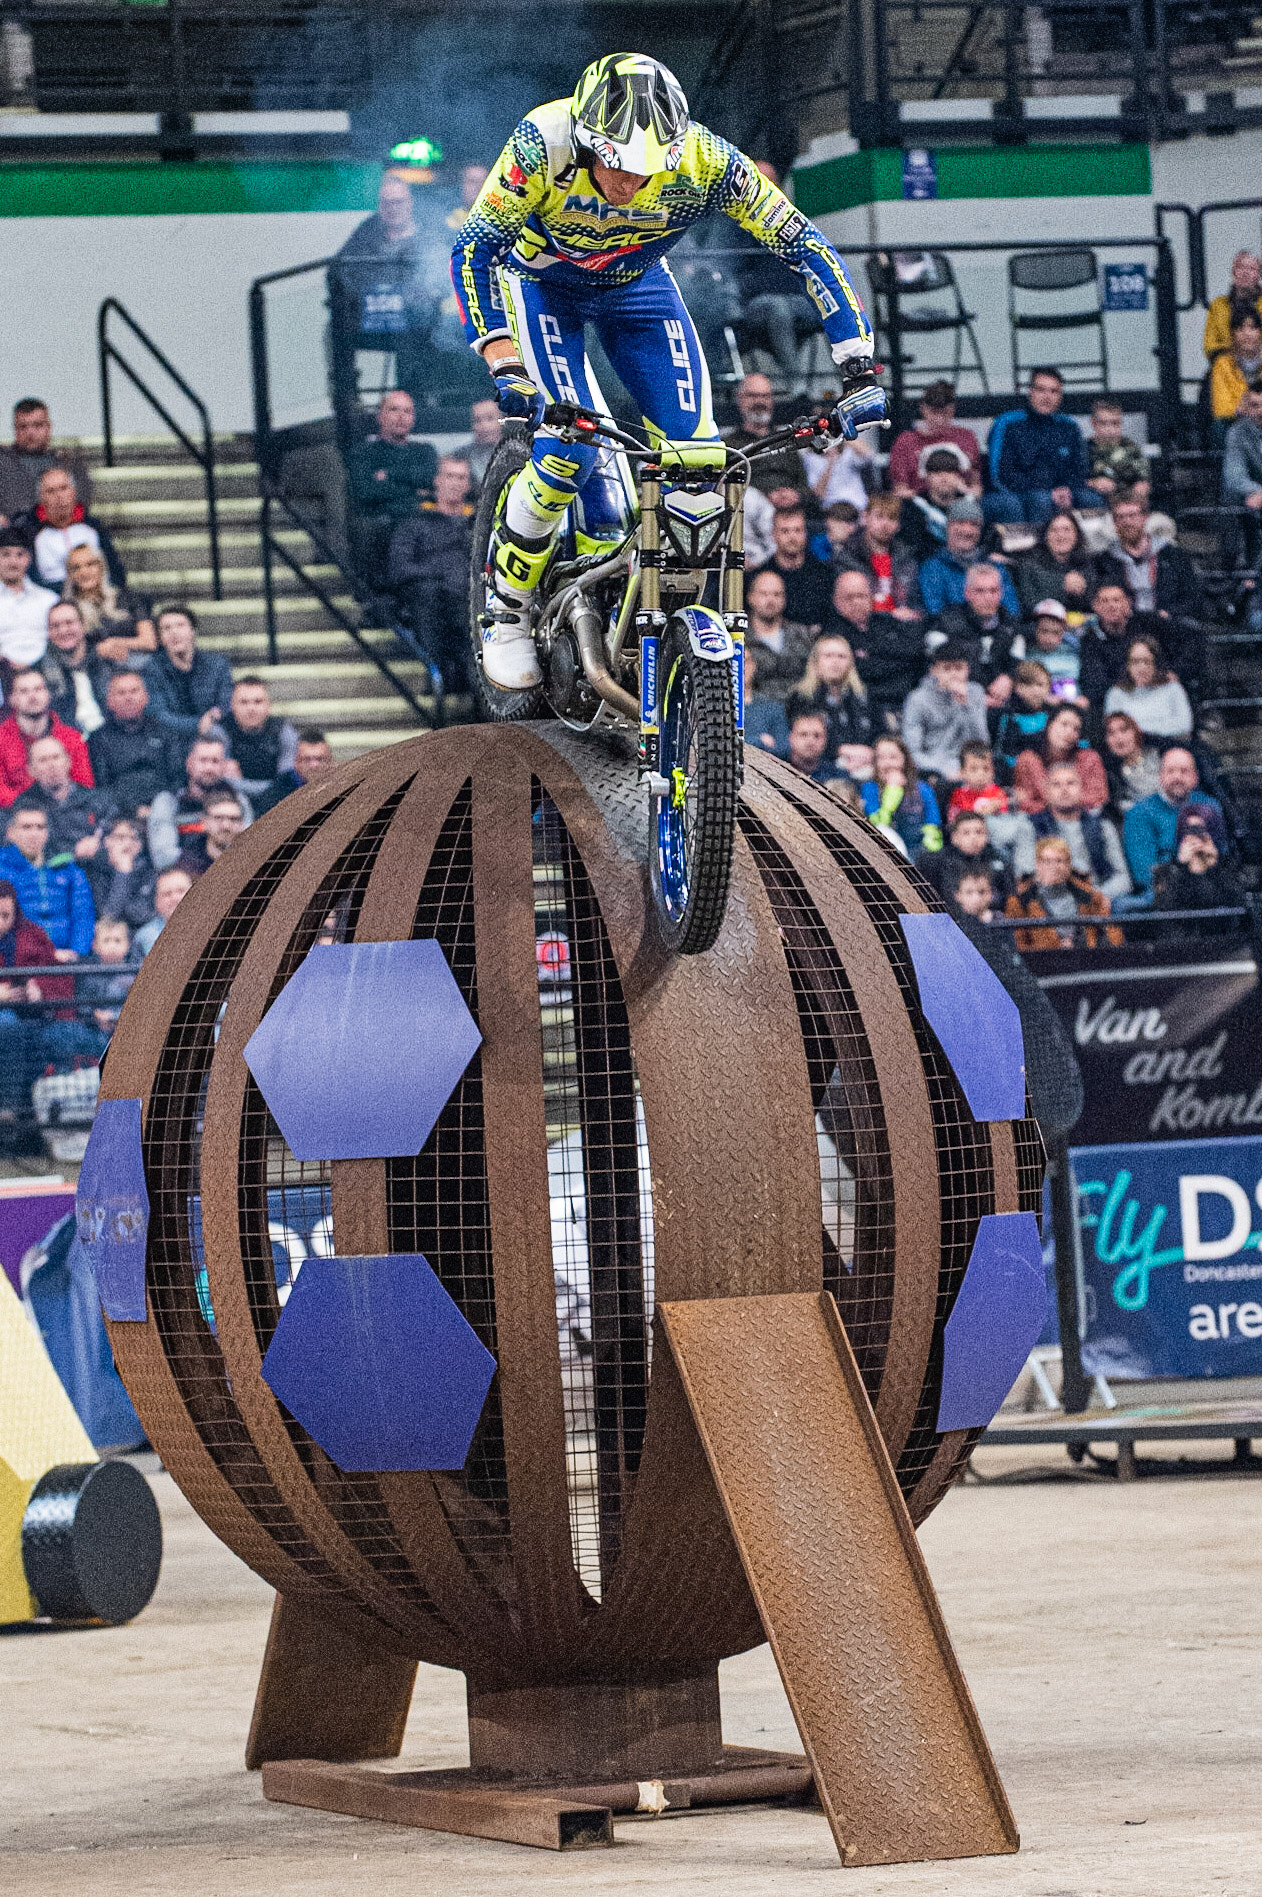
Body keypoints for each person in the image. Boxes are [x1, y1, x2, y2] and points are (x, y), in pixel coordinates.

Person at [453, 53, 881, 689]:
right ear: (587, 140)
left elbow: (806, 248)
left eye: (648, 169)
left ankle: (670, 619)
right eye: (618, 165)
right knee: (568, 449)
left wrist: (858, 367)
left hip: (635, 285)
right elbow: (474, 251)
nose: (631, 181)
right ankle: (507, 606)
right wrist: (502, 359)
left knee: (700, 462)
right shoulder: (541, 141)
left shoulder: (708, 161)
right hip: (540, 285)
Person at [388, 455, 476, 687]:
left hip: (473, 597)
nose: (455, 483)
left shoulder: (479, 524)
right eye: (450, 476)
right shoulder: (414, 523)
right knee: (429, 595)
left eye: (461, 477)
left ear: (468, 484)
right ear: (437, 480)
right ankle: (439, 681)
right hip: (435, 598)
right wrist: (441, 573)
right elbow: (399, 569)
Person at [346, 390, 439, 576]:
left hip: (422, 529)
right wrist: (414, 490)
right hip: (383, 531)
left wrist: (388, 475)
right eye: (394, 410)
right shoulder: (364, 453)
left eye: (407, 411)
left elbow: (432, 483)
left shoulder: (425, 452)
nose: (401, 417)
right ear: (380, 416)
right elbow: (365, 492)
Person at [1012, 757, 1131, 901]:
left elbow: (1123, 878)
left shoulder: (1103, 826)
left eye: (1071, 783)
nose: (1064, 789)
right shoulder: (1029, 826)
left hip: (1096, 902)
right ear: (1046, 792)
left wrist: (1095, 898)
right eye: (1056, 784)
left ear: (1082, 789)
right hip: (1047, 903)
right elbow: (1024, 875)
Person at [989, 368, 1095, 524]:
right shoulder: (1007, 423)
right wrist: (1048, 491)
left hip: (1062, 491)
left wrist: (1066, 489)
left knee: (1091, 499)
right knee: (1042, 500)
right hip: (1021, 494)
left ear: (1060, 396)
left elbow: (1080, 470)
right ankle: (1039, 548)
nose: (1047, 397)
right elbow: (1000, 476)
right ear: (1030, 391)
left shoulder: (1069, 426)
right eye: (1041, 390)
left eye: (1054, 391)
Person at [825, 569, 922, 727]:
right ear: (836, 601)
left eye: (861, 596)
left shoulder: (888, 622)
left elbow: (913, 656)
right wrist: (889, 658)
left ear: (871, 597)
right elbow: (858, 672)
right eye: (849, 597)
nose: (856, 602)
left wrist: (870, 656)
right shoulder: (832, 633)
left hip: (904, 701)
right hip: (862, 708)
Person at [1123, 745, 1223, 899]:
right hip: (1163, 893)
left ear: (1195, 777)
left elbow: (1223, 855)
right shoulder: (1138, 814)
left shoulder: (1210, 806)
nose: (1177, 777)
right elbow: (1144, 874)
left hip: (1208, 886)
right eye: (1170, 771)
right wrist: (1179, 864)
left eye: (1184, 771)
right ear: (1160, 776)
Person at [0, 805, 95, 957]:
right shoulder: (2, 867)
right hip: (17, 960)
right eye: (26, 827)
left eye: (40, 827)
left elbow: (83, 915)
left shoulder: (68, 868)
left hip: (66, 961)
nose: (34, 833)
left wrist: (76, 952)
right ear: (10, 833)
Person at [147, 736, 254, 870]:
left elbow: (247, 852)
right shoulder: (168, 801)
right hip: (182, 881)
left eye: (215, 761)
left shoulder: (238, 801)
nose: (209, 768)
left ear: (224, 766)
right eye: (203, 760)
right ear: (189, 763)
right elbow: (163, 857)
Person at [86, 671, 181, 818]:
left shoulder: (165, 732)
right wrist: (134, 810)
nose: (128, 698)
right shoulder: (98, 739)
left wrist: (155, 808)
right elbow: (102, 785)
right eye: (121, 693)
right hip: (119, 812)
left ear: (146, 697)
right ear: (109, 701)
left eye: (134, 691)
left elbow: (177, 777)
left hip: (163, 806)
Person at [15, 467, 125, 591]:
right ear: (41, 498)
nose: (59, 496)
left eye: (63, 488)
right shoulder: (29, 532)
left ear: (73, 492)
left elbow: (115, 573)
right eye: (51, 491)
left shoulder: (93, 527)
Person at [1005, 834, 1121, 951]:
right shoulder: (1020, 901)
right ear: (1037, 865)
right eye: (1047, 861)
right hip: (1043, 963)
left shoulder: (1090, 896)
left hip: (1087, 959)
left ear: (1068, 864)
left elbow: (1112, 936)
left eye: (1059, 861)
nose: (1054, 867)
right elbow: (1017, 946)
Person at [12, 736, 114, 863]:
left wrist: (98, 843)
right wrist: (73, 853)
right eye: (43, 760)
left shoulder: (96, 799)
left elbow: (115, 831)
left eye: (56, 757)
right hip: (48, 874)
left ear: (68, 761)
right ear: (31, 770)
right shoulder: (24, 806)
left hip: (96, 869)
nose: (51, 765)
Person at [0, 669, 93, 807]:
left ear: (48, 695)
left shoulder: (72, 738)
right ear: (12, 699)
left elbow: (84, 784)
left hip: (66, 812)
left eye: (38, 689)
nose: (32, 696)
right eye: (23, 691)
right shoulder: (1, 739)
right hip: (17, 815)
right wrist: (30, 807)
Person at [143, 604, 234, 745]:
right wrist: (197, 724)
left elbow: (226, 702)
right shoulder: (152, 669)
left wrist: (215, 715)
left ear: (192, 631)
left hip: (211, 736)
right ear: (160, 637)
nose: (174, 632)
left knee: (218, 733)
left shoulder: (217, 665)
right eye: (166, 628)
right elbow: (158, 714)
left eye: (180, 625)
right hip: (171, 738)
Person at [927, 562, 1023, 693]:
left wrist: (1009, 678)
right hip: (957, 698)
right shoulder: (944, 624)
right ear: (967, 593)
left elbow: (1017, 663)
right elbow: (937, 671)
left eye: (993, 590)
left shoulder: (1011, 626)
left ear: (1001, 593)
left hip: (1001, 700)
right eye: (980, 591)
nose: (988, 597)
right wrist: (977, 697)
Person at [901, 644, 990, 784]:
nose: (953, 674)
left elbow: (982, 742)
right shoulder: (918, 699)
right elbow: (912, 751)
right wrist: (944, 771)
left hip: (971, 764)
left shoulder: (975, 692)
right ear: (934, 671)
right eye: (947, 669)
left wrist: (967, 706)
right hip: (933, 766)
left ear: (967, 670)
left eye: (959, 668)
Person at [917, 498, 1017, 619]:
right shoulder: (933, 568)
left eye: (974, 524)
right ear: (948, 526)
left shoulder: (995, 567)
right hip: (954, 634)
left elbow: (1012, 611)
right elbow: (935, 611)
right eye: (960, 522)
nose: (967, 530)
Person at [0, 398, 92, 525]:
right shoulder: (2, 462)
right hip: (12, 536)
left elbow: (81, 505)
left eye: (37, 425)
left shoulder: (68, 463)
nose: (30, 433)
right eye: (23, 427)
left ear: (48, 427)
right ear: (15, 429)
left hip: (61, 531)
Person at [723, 372, 811, 502]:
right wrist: (766, 497)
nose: (759, 401)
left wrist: (794, 495)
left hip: (791, 512)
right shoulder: (729, 446)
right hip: (748, 510)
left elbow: (804, 486)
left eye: (765, 396)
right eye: (753, 396)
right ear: (740, 400)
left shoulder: (786, 440)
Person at [785, 633, 876, 757]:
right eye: (828, 656)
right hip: (821, 765)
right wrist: (840, 750)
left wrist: (870, 753)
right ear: (816, 661)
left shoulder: (863, 696)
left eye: (841, 656)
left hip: (866, 763)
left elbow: (879, 733)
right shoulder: (801, 697)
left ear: (850, 662)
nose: (835, 661)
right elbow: (801, 740)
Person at [60, 543, 154, 662]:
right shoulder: (68, 608)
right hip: (93, 667)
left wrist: (115, 643)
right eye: (76, 568)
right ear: (70, 574)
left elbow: (149, 641)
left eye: (90, 564)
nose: (83, 572)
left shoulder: (128, 597)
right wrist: (97, 650)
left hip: (135, 662)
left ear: (101, 566)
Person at [886, 381, 982, 496]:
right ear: (923, 409)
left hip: (961, 501)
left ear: (953, 410)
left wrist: (964, 492)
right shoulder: (906, 442)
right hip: (920, 505)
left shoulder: (966, 437)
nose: (939, 419)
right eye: (934, 413)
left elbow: (976, 486)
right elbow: (900, 490)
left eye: (945, 413)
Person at [1152, 808, 1243, 928]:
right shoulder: (1166, 872)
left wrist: (1213, 867)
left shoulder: (1229, 868)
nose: (1195, 837)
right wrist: (1180, 867)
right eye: (1189, 831)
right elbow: (1167, 915)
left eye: (1201, 831)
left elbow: (1237, 914)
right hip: (1182, 940)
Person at [835, 494, 922, 621]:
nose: (885, 524)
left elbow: (917, 603)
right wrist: (890, 616)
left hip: (902, 629)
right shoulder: (846, 558)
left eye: (892, 518)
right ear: (865, 517)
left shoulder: (907, 558)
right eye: (879, 517)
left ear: (898, 524)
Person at [1012, 702, 1108, 814]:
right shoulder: (1028, 760)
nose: (1069, 732)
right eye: (1064, 724)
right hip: (1039, 825)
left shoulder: (1089, 758)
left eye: (1076, 729)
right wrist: (1068, 802)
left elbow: (1099, 798)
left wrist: (1054, 803)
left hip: (1082, 823)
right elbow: (1024, 802)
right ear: (1049, 725)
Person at [749, 506, 834, 631]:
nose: (792, 537)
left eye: (797, 530)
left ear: (805, 533)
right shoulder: (759, 576)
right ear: (774, 534)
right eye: (785, 531)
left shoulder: (824, 574)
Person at [37, 600, 112, 737]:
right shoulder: (39, 671)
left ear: (83, 625)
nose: (63, 631)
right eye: (55, 626)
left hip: (110, 738)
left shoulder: (106, 659)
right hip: (65, 741)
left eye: (69, 623)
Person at [861, 734, 942, 855]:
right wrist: (892, 791)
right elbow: (879, 825)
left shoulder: (923, 789)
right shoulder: (869, 789)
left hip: (920, 851)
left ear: (904, 760)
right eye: (881, 758)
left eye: (893, 757)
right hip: (887, 851)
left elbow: (933, 823)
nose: (887, 764)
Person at [219, 677, 298, 802]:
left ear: (268, 705)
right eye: (244, 702)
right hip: (231, 801)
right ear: (232, 705)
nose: (251, 708)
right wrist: (271, 786)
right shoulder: (220, 731)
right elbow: (223, 781)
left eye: (258, 701)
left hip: (276, 800)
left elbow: (286, 779)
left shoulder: (284, 731)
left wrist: (243, 784)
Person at [744, 569, 816, 699]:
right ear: (750, 597)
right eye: (764, 594)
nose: (770, 600)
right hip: (756, 710)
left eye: (777, 594)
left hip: (798, 708)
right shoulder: (740, 638)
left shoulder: (802, 635)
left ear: (784, 599)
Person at [1103, 637, 1193, 739]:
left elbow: (1184, 726)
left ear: (1156, 664)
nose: (1141, 668)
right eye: (1135, 662)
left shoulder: (1173, 689)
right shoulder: (1116, 694)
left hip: (1169, 747)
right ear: (1128, 666)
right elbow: (1114, 730)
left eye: (1147, 661)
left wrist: (1136, 728)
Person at [917, 808, 1013, 902]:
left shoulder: (998, 860)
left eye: (979, 832)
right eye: (966, 833)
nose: (973, 838)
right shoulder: (937, 862)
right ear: (954, 838)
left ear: (987, 836)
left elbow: (1009, 895)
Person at [75, 914, 137, 1055]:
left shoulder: (135, 975)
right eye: (106, 940)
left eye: (117, 940)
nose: (112, 946)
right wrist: (95, 1015)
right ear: (95, 945)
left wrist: (119, 1018)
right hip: (96, 1033)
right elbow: (82, 1006)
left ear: (127, 944)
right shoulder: (89, 975)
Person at [1014, 511, 1093, 619]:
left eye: (1067, 530)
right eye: (1054, 530)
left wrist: (1082, 591)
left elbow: (1094, 601)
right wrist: (1062, 586)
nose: (1061, 536)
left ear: (1076, 534)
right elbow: (1028, 604)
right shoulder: (1028, 565)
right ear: (1045, 535)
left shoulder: (1087, 563)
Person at [1077, 579, 1143, 708]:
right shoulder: (1090, 639)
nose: (1111, 606)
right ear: (1095, 606)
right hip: (1110, 701)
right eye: (1104, 601)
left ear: (1127, 603)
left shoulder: (1144, 626)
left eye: (1116, 600)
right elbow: (1094, 682)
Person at [84, 816, 155, 933]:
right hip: (106, 938)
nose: (128, 843)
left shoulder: (149, 873)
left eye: (134, 838)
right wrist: (123, 873)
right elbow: (108, 915)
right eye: (120, 837)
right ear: (107, 841)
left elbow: (143, 914)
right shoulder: (96, 872)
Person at [0, 528, 55, 668]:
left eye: (20, 555)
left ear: (28, 559)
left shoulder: (49, 600)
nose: (13, 562)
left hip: (47, 671)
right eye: (5, 555)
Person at [989, 659, 1051, 781]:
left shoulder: (1053, 715)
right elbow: (1003, 752)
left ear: (1048, 687)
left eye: (1040, 685)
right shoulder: (1006, 716)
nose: (1035, 690)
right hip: (1013, 774)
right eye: (1028, 684)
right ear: (1017, 687)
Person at [252, 729, 337, 815]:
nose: (314, 765)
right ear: (296, 761)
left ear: (330, 761)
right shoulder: (276, 793)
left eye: (320, 759)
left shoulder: (341, 786)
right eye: (307, 759)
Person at [1085, 397, 1148, 502]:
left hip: (1127, 500)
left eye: (1115, 423)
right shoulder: (1083, 449)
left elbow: (1143, 477)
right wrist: (1093, 483)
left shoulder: (1130, 447)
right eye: (1103, 423)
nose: (1110, 429)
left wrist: (1141, 486)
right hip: (1097, 499)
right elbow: (1074, 482)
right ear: (1093, 423)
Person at [1203, 250, 1262, 361]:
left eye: (1251, 269)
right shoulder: (1218, 305)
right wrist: (1235, 355)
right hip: (1226, 368)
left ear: (1259, 275)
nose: (1245, 273)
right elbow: (1210, 346)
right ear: (1233, 272)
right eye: (1240, 267)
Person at [175, 786, 246, 877]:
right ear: (205, 821)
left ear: (242, 824)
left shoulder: (253, 860)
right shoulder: (187, 864)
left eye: (234, 819)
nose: (226, 826)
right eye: (218, 818)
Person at [1101, 710, 1162, 815]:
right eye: (1111, 733)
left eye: (1124, 730)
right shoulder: (1110, 775)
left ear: (1136, 731)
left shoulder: (1158, 755)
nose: (1119, 738)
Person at [1210, 311, 1262, 433]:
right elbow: (1221, 408)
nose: (1247, 334)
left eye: (1253, 327)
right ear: (1232, 333)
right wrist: (1246, 409)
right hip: (1237, 420)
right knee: (1220, 426)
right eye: (1240, 328)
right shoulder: (1222, 364)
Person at [1026, 599, 1085, 704]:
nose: (1049, 638)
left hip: (1073, 707)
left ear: (1063, 633)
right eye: (1044, 631)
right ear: (1035, 630)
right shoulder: (1027, 656)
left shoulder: (1074, 653)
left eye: (1055, 632)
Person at [134, 865, 193, 958]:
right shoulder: (147, 935)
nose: (175, 898)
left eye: (181, 891)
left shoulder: (212, 927)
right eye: (167, 894)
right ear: (156, 902)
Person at [742, 642, 790, 756]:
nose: (741, 667)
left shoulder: (772, 708)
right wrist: (759, 741)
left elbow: (784, 749)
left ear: (754, 666)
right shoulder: (712, 708)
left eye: (746, 662)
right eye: (734, 662)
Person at [945, 739, 1008, 821]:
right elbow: (953, 823)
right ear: (962, 772)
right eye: (973, 769)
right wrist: (981, 813)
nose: (981, 774)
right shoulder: (958, 796)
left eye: (986, 769)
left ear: (993, 771)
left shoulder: (998, 794)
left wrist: (997, 811)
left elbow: (1006, 821)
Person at [455, 397, 504, 492]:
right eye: (477, 420)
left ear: (502, 421)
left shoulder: (518, 452)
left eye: (489, 419)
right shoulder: (460, 456)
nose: (484, 426)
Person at [785, 709, 844, 784]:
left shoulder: (838, 778)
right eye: (803, 734)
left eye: (817, 736)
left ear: (825, 740)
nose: (811, 741)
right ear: (791, 738)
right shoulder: (776, 769)